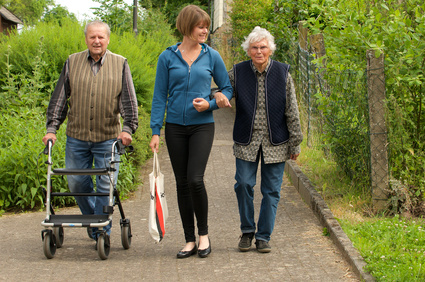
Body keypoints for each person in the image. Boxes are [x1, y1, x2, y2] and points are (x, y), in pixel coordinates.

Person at [42, 20, 139, 242]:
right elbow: (59, 100)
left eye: (101, 37)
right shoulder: (72, 62)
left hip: (108, 138)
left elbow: (129, 104)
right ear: (86, 39)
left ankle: (101, 230)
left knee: (106, 186)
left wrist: (127, 129)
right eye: (92, 37)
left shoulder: (120, 63)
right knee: (76, 183)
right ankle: (95, 219)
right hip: (77, 137)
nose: (97, 41)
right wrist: (51, 129)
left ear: (108, 39)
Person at [149, 5, 232, 259]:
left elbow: (227, 88)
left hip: (202, 126)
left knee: (195, 178)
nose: (205, 30)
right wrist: (155, 130)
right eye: (200, 26)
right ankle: (188, 239)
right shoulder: (167, 57)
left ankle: (204, 235)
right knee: (182, 183)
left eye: (206, 26)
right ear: (187, 26)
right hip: (174, 127)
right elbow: (159, 95)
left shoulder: (212, 56)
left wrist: (211, 102)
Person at [213, 26, 303, 253]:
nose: (259, 51)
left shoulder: (283, 73)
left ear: (270, 50)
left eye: (263, 47)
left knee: (271, 190)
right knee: (243, 184)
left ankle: (263, 236)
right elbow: (222, 88)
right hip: (246, 139)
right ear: (248, 51)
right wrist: (217, 95)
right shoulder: (238, 72)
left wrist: (296, 141)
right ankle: (246, 231)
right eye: (254, 47)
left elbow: (292, 110)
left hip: (277, 141)